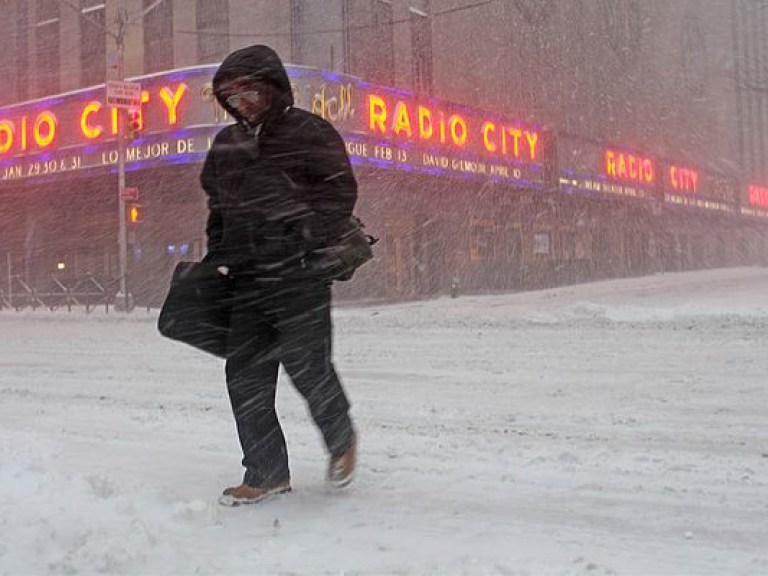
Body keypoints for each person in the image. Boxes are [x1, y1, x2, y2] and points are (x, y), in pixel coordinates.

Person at [200, 44, 357, 506]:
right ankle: (266, 473)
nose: (242, 102)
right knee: (245, 376)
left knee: (308, 368)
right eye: (232, 95)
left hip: (301, 275)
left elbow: (338, 195)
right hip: (247, 280)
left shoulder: (309, 131)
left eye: (249, 91)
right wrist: (217, 256)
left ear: (271, 87)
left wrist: (301, 234)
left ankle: (341, 437)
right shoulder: (227, 145)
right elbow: (218, 207)